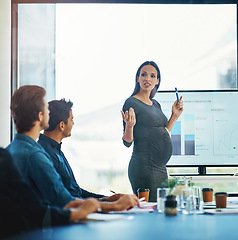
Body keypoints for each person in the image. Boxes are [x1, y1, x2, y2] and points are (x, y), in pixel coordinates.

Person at [7, 85, 139, 211]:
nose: (49, 112)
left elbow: (73, 191)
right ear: (40, 116)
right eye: (46, 108)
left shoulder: (16, 149)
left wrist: (107, 199)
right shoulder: (37, 154)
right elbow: (63, 200)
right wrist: (113, 205)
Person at [0, 147, 100, 238]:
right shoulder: (35, 154)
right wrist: (79, 212)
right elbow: (33, 209)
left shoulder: (13, 149)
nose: (73, 125)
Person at [122, 61, 184, 202]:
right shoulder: (131, 103)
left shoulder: (156, 104)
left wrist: (174, 116)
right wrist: (130, 126)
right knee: (151, 211)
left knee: (160, 209)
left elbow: (162, 132)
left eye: (152, 76)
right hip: (144, 167)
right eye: (143, 74)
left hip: (160, 168)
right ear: (137, 78)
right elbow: (127, 142)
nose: (147, 79)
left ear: (157, 81)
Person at [38, 99, 123, 202]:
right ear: (62, 125)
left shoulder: (56, 150)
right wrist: (103, 202)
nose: (73, 123)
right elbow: (62, 199)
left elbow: (75, 190)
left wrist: (106, 198)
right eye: (71, 120)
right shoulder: (45, 154)